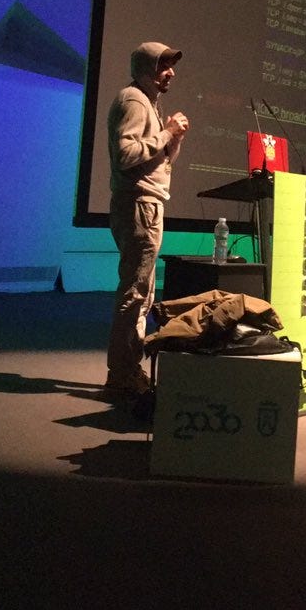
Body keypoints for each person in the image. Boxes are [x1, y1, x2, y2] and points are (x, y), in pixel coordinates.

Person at [105, 41, 189, 401]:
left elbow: (159, 162)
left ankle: (127, 370)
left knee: (143, 292)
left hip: (146, 204)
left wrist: (173, 138)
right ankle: (122, 374)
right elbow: (125, 154)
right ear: (144, 69)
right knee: (136, 291)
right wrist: (166, 133)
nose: (170, 73)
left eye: (171, 66)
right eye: (162, 66)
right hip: (139, 204)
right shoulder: (134, 101)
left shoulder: (148, 103)